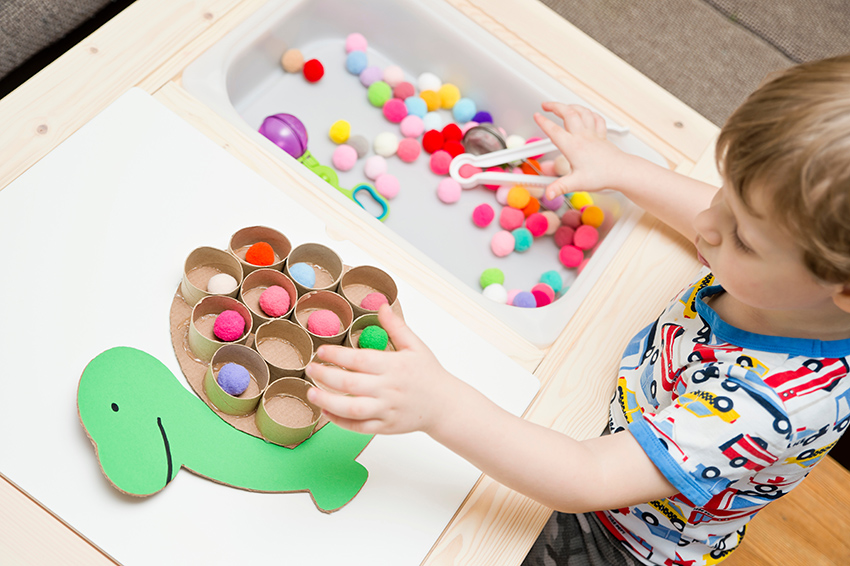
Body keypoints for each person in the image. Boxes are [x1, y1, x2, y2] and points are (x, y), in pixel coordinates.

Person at [305, 54, 850, 565]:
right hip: (627, 415)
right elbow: (711, 215)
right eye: (724, 194)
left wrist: (439, 406)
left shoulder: (772, 404)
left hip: (621, 533)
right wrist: (620, 168)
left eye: (744, 240)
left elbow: (585, 478)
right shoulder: (790, 279)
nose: (708, 224)